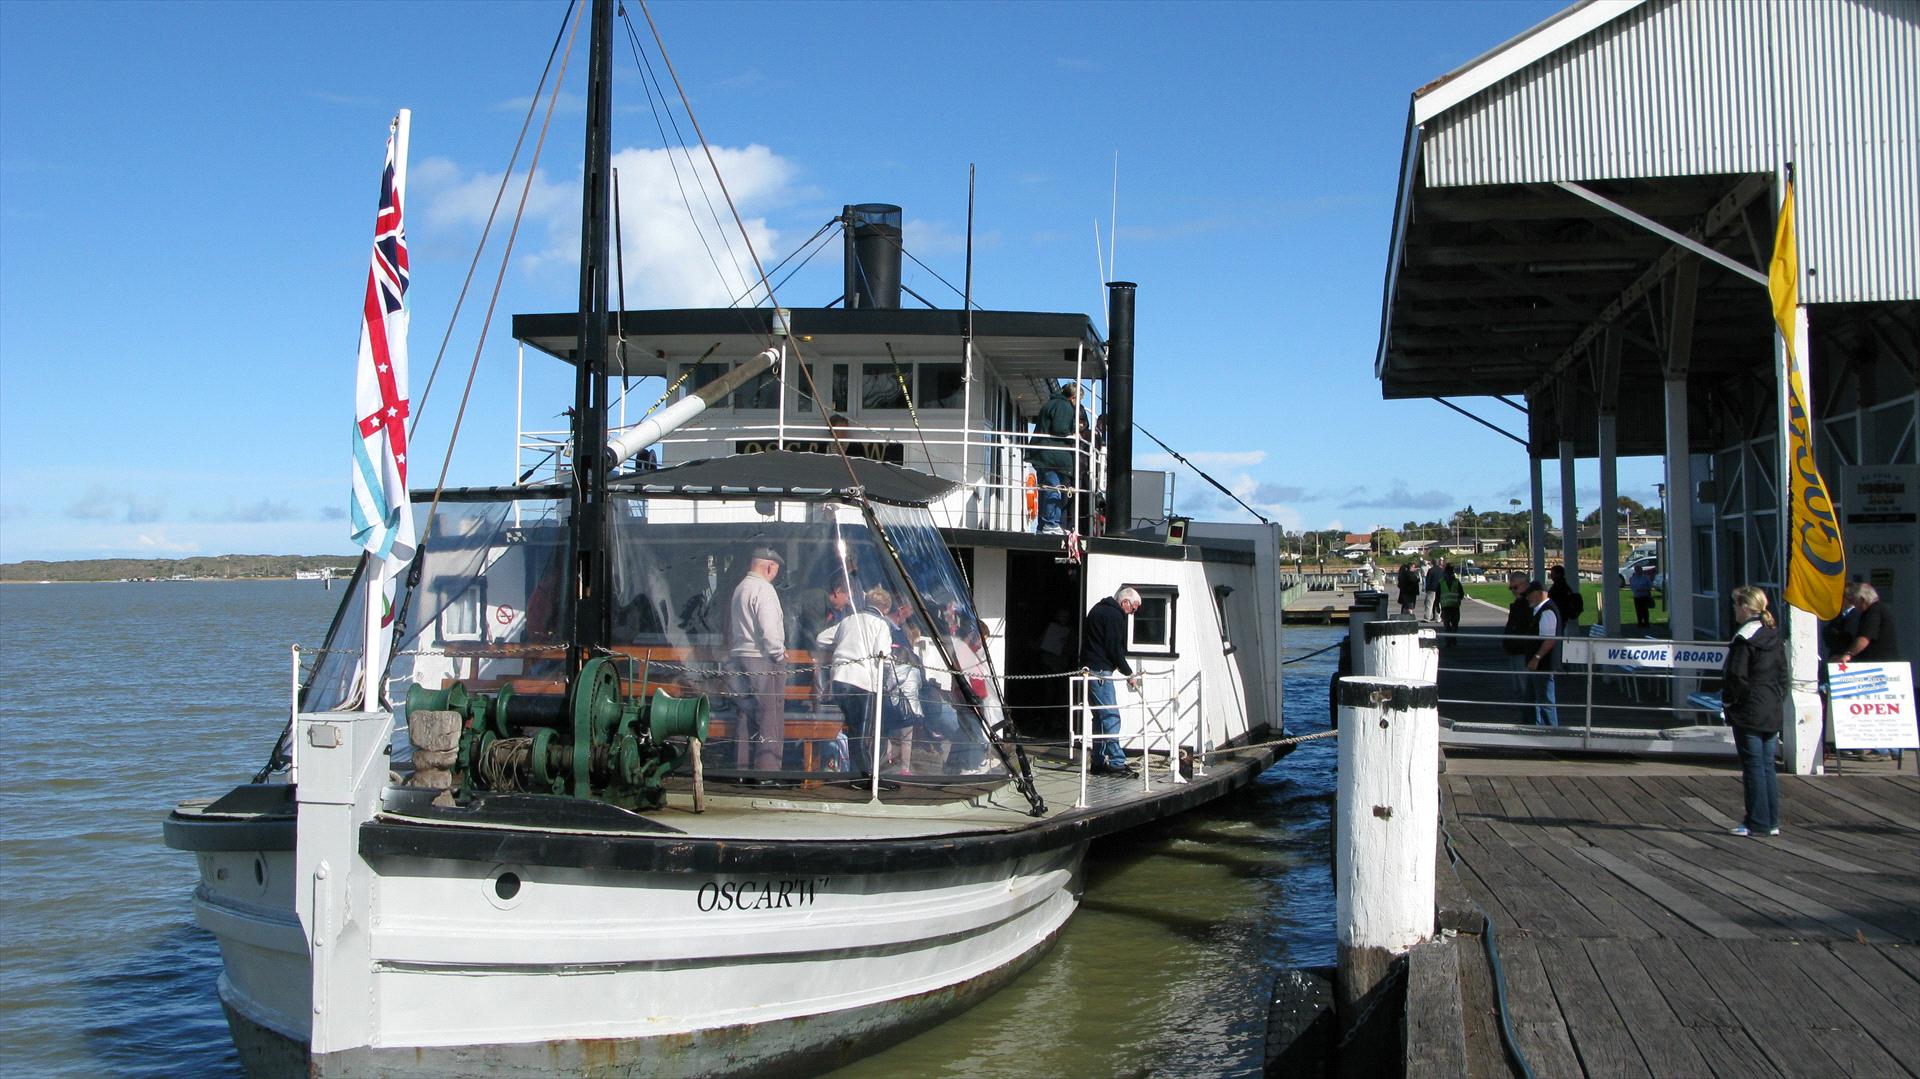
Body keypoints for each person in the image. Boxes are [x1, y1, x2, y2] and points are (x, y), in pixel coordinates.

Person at [1722, 585, 1785, 836]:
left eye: (1736, 605)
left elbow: (1736, 675)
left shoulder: (1744, 638)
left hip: (1750, 708)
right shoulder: (1772, 633)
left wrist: (1729, 702)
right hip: (1771, 705)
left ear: (1745, 607)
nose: (1735, 610)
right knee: (1767, 766)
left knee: (1754, 766)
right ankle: (1771, 821)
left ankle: (1756, 821)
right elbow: (1783, 674)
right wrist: (1778, 697)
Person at [816, 586, 898, 776]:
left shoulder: (848, 620)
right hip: (863, 682)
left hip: (839, 679)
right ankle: (863, 775)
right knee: (860, 732)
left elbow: (821, 638)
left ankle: (851, 769)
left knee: (846, 728)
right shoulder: (881, 624)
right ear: (885, 609)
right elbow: (883, 655)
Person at [725, 547, 787, 773]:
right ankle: (766, 772)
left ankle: (741, 769)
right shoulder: (764, 590)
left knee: (745, 716)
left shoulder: (740, 588)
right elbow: (769, 631)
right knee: (769, 719)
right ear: (769, 567)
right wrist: (779, 654)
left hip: (740, 657)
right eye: (775, 571)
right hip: (762, 660)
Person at [1833, 581, 1901, 761]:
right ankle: (1892, 748)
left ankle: (1883, 749)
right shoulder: (1880, 610)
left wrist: (1847, 655)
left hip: (1878, 667)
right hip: (1886, 665)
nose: (1854, 605)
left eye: (1855, 601)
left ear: (1863, 600)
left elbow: (1864, 639)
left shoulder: (1873, 612)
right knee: (1885, 708)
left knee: (1876, 707)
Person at [1080, 586, 1142, 776]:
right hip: (1100, 673)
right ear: (1124, 602)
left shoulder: (1097, 609)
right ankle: (1116, 762)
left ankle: (1098, 761)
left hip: (1090, 671)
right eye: (1133, 607)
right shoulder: (1114, 615)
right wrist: (1129, 673)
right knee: (1111, 716)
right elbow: (1114, 648)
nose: (1133, 612)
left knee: (1099, 718)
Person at [1027, 382, 1079, 535]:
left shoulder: (1050, 404)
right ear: (1074, 397)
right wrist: (1072, 435)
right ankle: (1051, 523)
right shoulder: (1064, 406)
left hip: (1041, 454)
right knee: (1053, 488)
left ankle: (1043, 525)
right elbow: (1059, 428)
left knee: (1045, 488)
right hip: (1052, 456)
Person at [1522, 581, 1561, 726]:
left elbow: (1550, 639)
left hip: (1543, 664)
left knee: (1545, 700)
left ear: (1538, 593)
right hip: (1538, 664)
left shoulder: (1547, 611)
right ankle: (1535, 728)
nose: (1527, 598)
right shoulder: (1541, 610)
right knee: (1533, 699)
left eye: (1529, 595)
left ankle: (1553, 732)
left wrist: (1536, 658)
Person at [1501, 572, 1534, 721]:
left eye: (1515, 587)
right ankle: (1526, 717)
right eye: (1510, 588)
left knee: (1525, 687)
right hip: (1514, 650)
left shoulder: (1529, 604)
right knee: (1519, 688)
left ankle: (1530, 719)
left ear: (1525, 585)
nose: (1512, 591)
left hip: (1523, 651)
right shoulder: (1518, 604)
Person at [1547, 564, 1583, 635]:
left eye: (1553, 573)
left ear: (1558, 574)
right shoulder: (1564, 586)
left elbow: (1558, 601)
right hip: (1561, 615)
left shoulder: (1559, 587)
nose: (1551, 576)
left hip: (1559, 615)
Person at [1436, 562, 1465, 638]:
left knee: (1447, 625)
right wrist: (1458, 600)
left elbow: (1437, 596)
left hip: (1445, 607)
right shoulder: (1456, 582)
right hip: (1455, 607)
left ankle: (1449, 639)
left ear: (1445, 573)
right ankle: (1453, 638)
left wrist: (1437, 606)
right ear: (1452, 572)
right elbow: (1461, 594)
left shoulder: (1441, 582)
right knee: (1455, 625)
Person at [1629, 563, 1657, 631]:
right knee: (1638, 610)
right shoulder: (1633, 578)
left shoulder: (1645, 577)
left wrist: (1644, 588)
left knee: (1645, 610)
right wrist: (1637, 589)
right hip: (1637, 596)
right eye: (1637, 570)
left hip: (1644, 596)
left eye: (1639, 569)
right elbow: (1632, 586)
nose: (1638, 571)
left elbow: (1650, 586)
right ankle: (1640, 622)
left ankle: (1646, 623)